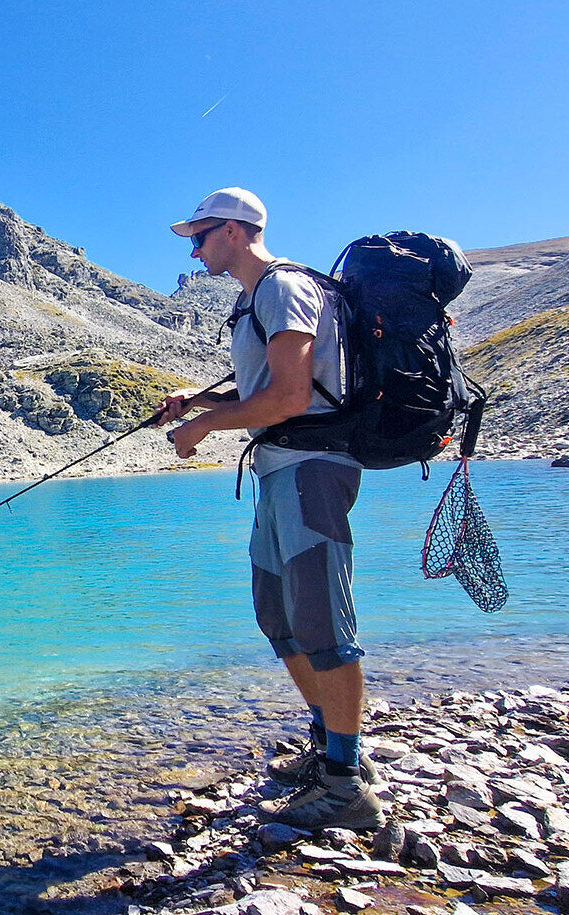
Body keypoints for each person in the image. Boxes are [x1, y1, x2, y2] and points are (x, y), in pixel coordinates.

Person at [157, 187, 382, 831]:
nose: (194, 248)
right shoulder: (256, 299)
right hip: (279, 471)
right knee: (278, 616)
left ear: (234, 230)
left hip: (311, 468)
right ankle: (332, 747)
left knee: (321, 620)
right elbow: (281, 382)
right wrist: (198, 400)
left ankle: (346, 783)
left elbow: (288, 397)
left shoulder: (283, 289)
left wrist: (203, 429)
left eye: (199, 236)